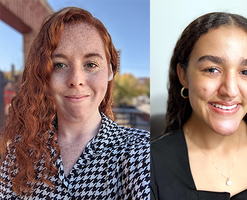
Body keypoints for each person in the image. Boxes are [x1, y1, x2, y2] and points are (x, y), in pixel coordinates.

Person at [0, 7, 150, 199]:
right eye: (59, 65)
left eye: (91, 64)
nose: (76, 80)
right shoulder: (18, 153)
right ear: (43, 75)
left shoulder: (141, 153)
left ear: (111, 71)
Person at [150, 12, 247, 199]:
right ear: (183, 76)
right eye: (212, 69)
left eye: (246, 72)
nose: (230, 90)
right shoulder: (150, 165)